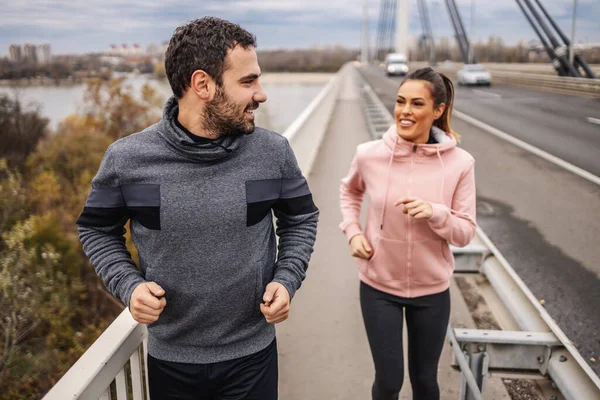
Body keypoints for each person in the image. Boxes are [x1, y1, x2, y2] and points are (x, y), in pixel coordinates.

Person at [76, 17, 319, 400]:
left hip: (252, 356)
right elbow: (96, 230)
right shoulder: (128, 160)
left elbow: (301, 217)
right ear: (203, 84)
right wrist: (129, 285)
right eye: (248, 81)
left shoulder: (272, 153)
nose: (262, 94)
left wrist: (286, 278)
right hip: (171, 361)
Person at [339, 67, 476, 400]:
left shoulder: (460, 163)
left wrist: (436, 213)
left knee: (425, 383)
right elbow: (350, 192)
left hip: (431, 290)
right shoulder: (369, 154)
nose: (405, 111)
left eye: (417, 104)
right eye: (401, 102)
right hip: (379, 286)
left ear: (438, 110)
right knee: (388, 382)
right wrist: (353, 231)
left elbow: (465, 232)